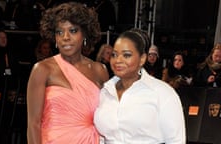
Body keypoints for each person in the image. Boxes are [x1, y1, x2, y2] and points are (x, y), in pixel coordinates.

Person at [27, 2, 109, 144]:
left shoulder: (99, 70)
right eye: (59, 32)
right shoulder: (42, 69)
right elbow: (33, 124)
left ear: (84, 34)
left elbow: (108, 120)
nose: (65, 37)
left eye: (73, 31)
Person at [94, 28, 186, 143]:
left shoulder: (163, 93)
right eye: (114, 54)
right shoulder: (105, 92)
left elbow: (176, 141)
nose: (118, 60)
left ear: (142, 59)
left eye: (126, 55)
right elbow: (102, 137)